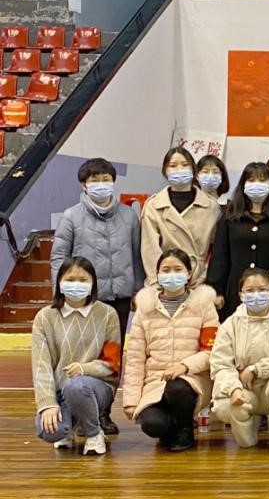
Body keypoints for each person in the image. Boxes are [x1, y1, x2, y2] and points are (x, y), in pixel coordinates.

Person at [50, 157, 143, 435]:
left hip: (120, 299)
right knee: (83, 356)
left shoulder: (129, 216)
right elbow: (58, 257)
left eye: (106, 179)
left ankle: (103, 412)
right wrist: (61, 293)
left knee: (112, 359)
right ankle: (79, 412)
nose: (101, 184)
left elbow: (137, 255)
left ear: (113, 182)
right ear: (84, 184)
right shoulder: (71, 217)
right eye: (94, 180)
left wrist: (139, 288)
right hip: (83, 299)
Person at [123, 249, 219, 452]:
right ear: (157, 274)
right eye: (166, 270)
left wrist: (184, 366)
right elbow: (134, 358)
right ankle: (172, 426)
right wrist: (130, 400)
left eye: (178, 269)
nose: (171, 274)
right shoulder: (144, 309)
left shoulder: (204, 305)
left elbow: (212, 350)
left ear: (189, 273)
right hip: (155, 382)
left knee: (177, 388)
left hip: (192, 380)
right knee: (152, 425)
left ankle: (185, 430)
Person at [31, 257, 121, 455]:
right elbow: (41, 367)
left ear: (93, 283)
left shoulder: (108, 314)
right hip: (60, 390)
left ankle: (94, 433)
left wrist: (83, 368)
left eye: (83, 280)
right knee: (49, 431)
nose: (76, 285)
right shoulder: (44, 317)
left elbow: (112, 363)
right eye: (70, 280)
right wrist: (47, 404)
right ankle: (69, 426)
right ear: (59, 282)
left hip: (97, 387)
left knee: (77, 386)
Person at [210, 267, 269, 453]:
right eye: (250, 290)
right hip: (244, 390)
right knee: (223, 405)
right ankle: (247, 432)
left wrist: (256, 369)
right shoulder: (229, 324)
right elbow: (221, 365)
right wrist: (234, 389)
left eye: (262, 290)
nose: (256, 295)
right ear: (241, 294)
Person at [206, 162, 269, 322]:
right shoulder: (230, 215)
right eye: (251, 180)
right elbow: (220, 255)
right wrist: (216, 289)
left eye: (262, 180)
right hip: (236, 290)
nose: (257, 184)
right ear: (243, 184)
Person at [140, 146, 221, 285]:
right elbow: (149, 250)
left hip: (197, 280)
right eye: (173, 166)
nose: (179, 170)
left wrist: (205, 276)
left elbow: (218, 250)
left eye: (185, 165)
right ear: (165, 171)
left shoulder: (211, 206)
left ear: (193, 169)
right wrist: (157, 281)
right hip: (164, 278)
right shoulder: (153, 205)